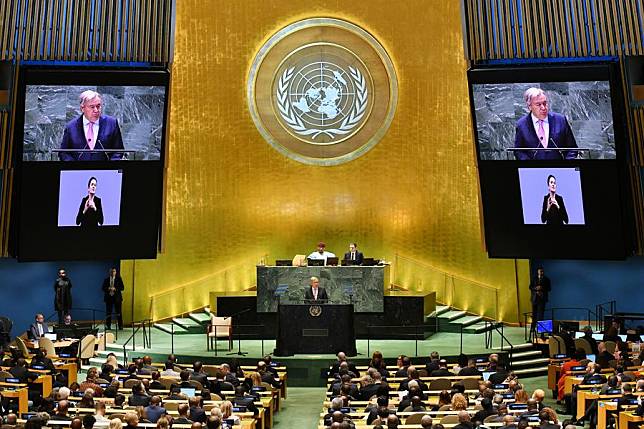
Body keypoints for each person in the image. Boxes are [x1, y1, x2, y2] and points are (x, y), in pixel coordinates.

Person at [513, 87, 578, 160]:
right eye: (538, 104)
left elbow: (572, 148)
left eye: (545, 103)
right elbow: (518, 151)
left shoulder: (561, 120)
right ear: (529, 106)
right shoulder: (521, 124)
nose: (543, 108)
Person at [60, 90, 124, 161]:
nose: (96, 110)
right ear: (82, 108)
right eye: (92, 107)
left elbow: (118, 150)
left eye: (98, 106)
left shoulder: (112, 123)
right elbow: (64, 153)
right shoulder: (71, 127)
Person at [529, 267, 551, 334]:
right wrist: (536, 288)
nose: (541, 272)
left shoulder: (547, 279)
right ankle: (532, 328)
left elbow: (549, 288)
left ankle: (540, 329)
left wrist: (542, 288)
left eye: (542, 271)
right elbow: (530, 287)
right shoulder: (534, 278)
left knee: (541, 315)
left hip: (542, 299)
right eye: (540, 271)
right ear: (538, 272)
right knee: (534, 314)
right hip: (535, 299)